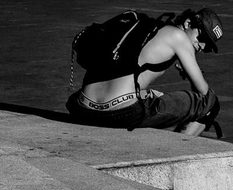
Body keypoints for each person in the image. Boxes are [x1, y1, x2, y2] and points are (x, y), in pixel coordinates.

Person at [67, 8, 223, 136]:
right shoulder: (178, 37)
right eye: (202, 37)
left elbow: (126, 77)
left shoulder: (145, 30)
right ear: (188, 23)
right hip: (120, 114)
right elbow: (202, 92)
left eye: (208, 46)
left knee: (151, 96)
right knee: (211, 104)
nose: (202, 46)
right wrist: (190, 75)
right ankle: (179, 151)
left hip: (81, 108)